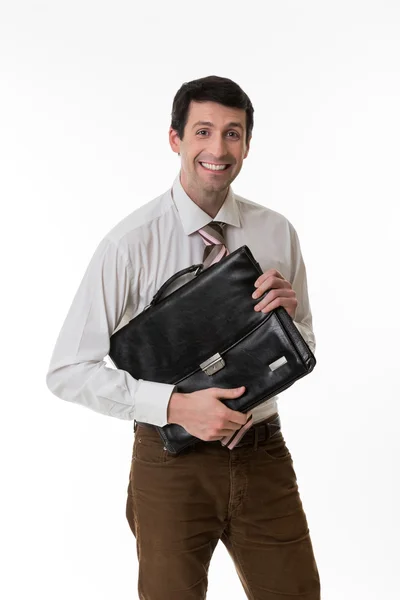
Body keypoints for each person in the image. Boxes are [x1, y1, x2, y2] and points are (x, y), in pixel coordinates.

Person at [46, 75, 320, 599]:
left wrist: (287, 322)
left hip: (263, 453)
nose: (218, 149)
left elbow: (305, 339)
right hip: (171, 464)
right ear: (176, 139)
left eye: (233, 134)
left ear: (247, 144)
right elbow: (66, 371)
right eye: (203, 131)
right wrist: (174, 407)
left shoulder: (277, 231)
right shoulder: (129, 243)